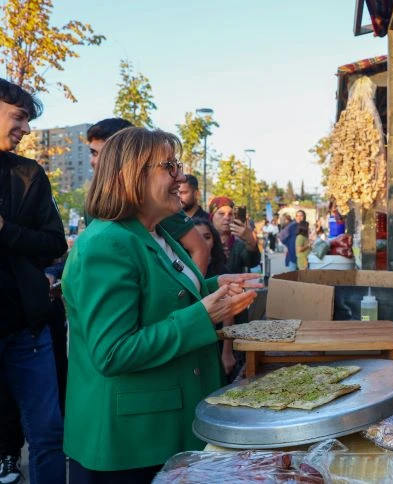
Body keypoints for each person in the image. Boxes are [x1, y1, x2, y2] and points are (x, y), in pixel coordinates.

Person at [61, 127, 261, 482]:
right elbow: (112, 352)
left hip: (165, 429)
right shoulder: (107, 244)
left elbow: (165, 295)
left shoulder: (155, 231)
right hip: (129, 447)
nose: (180, 176)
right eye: (169, 166)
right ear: (131, 176)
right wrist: (204, 315)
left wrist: (215, 287)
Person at [0, 78, 66, 484]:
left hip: (28, 332)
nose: (26, 129)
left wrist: (6, 230)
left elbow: (54, 243)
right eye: (19, 117)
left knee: (47, 434)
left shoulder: (28, 174)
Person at [86, 118, 210, 274]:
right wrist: (204, 299)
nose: (95, 161)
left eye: (101, 154)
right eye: (168, 166)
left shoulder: (157, 211)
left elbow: (198, 251)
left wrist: (208, 290)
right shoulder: (102, 240)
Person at [191, 217, 237, 379]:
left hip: (218, 342)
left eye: (207, 237)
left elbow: (228, 313)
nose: (201, 242)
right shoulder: (182, 270)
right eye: (196, 238)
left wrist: (227, 352)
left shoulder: (221, 271)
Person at [208, 196, 261, 274]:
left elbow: (252, 262)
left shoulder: (239, 242)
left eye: (230, 214)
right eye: (221, 214)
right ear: (212, 217)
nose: (227, 218)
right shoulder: (202, 240)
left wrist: (251, 241)